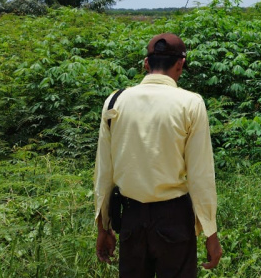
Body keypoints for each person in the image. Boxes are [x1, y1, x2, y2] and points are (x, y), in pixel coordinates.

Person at [93, 33, 222, 278]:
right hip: (174, 220)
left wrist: (104, 226)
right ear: (180, 64)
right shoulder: (190, 104)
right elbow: (200, 175)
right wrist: (210, 234)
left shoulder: (115, 102)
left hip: (130, 219)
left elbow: (104, 172)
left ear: (146, 63)